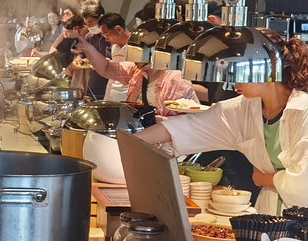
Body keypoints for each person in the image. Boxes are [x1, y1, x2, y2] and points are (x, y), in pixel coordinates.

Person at [136, 31, 308, 215]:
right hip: (267, 216)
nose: (232, 83)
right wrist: (129, 143)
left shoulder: (303, 109)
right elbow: (185, 128)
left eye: (238, 73)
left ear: (268, 69)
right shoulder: (243, 108)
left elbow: (303, 185)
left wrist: (265, 179)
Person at [65, 13, 196, 114]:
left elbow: (187, 121)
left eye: (140, 56)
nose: (135, 61)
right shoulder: (137, 71)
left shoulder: (175, 80)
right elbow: (106, 68)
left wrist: (155, 120)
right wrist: (86, 45)